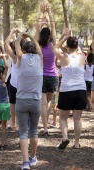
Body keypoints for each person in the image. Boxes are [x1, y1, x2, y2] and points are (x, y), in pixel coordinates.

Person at [53, 28, 86, 150]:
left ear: (67, 46)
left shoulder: (63, 57)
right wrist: (71, 38)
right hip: (80, 90)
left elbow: (55, 47)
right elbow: (77, 49)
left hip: (67, 91)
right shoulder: (82, 56)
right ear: (77, 46)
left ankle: (65, 137)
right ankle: (77, 143)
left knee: (63, 118)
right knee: (77, 118)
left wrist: (64, 37)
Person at [15, 32, 43, 170]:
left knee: (23, 133)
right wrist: (32, 36)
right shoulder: (40, 58)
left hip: (21, 100)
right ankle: (33, 158)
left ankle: (25, 162)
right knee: (34, 131)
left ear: (24, 50)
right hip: (36, 101)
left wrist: (20, 36)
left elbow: (16, 47)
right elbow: (38, 48)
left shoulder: (21, 57)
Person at [35, 2, 58, 135]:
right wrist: (49, 12)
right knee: (48, 103)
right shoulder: (53, 44)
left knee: (43, 103)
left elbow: (37, 28)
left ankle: (44, 128)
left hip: (41, 77)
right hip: (53, 77)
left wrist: (41, 13)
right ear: (49, 35)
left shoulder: (38, 45)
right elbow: (53, 25)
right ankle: (46, 123)